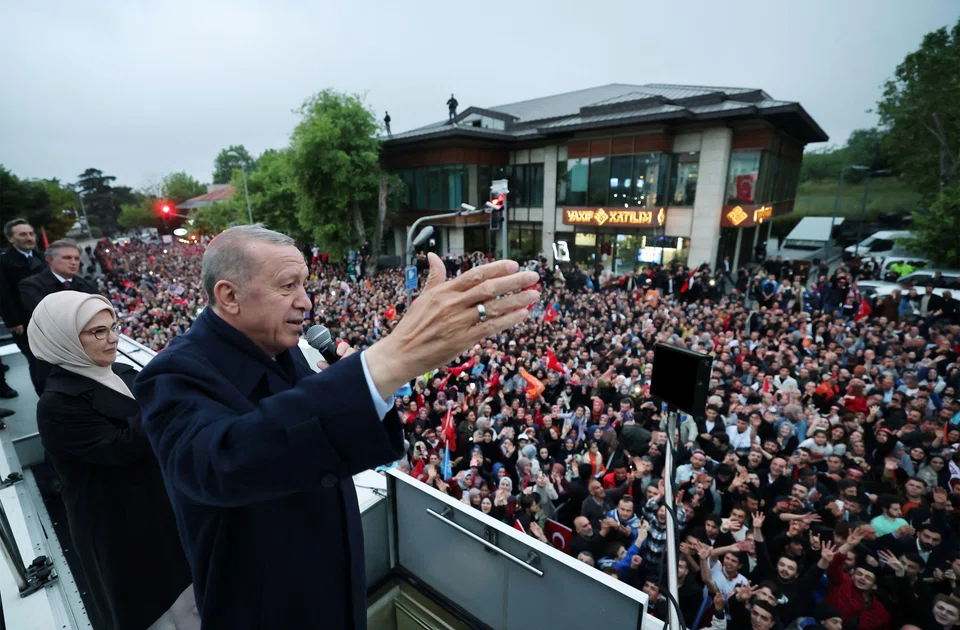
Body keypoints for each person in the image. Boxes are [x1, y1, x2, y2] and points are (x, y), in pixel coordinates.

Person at [133, 225, 539, 629]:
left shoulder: (283, 350)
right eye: (287, 286)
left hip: (335, 592)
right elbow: (222, 462)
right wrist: (386, 362)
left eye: (304, 285)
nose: (306, 302)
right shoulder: (171, 375)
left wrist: (373, 378)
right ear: (229, 296)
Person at [29, 291, 196, 630]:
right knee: (159, 611)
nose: (114, 338)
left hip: (164, 507)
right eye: (98, 332)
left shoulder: (121, 369)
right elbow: (119, 449)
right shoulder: (57, 404)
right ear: (62, 339)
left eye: (114, 326)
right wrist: (169, 398)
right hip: (122, 527)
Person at [20, 238, 99, 393]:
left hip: (85, 354)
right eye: (67, 258)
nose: (74, 262)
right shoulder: (31, 285)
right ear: (49, 259)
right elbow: (47, 317)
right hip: (50, 356)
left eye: (76, 258)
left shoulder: (88, 285)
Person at [0, 218, 45, 396]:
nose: (29, 237)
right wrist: (13, 321)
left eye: (31, 234)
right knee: (36, 362)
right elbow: (3, 295)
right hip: (23, 324)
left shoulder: (40, 258)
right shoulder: (3, 263)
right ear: (10, 238)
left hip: (45, 320)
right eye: (23, 234)